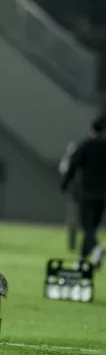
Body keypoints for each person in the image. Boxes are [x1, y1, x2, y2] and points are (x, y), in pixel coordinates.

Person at [61, 115, 106, 269]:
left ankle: (96, 248)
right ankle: (81, 261)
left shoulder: (86, 145)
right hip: (103, 196)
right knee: (92, 228)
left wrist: (65, 184)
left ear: (92, 128)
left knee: (86, 227)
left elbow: (72, 166)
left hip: (87, 193)